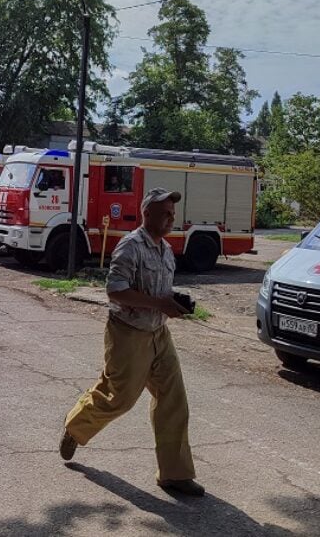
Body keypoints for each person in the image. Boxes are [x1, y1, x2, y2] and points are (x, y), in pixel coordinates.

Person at [59, 187, 204, 497]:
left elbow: (158, 294)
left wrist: (172, 305)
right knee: (118, 398)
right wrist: (158, 303)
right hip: (127, 334)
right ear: (146, 213)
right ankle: (75, 427)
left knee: (174, 399)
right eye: (165, 213)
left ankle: (174, 474)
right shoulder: (130, 246)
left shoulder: (164, 249)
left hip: (159, 334)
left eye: (172, 214)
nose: (171, 218)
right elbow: (115, 291)